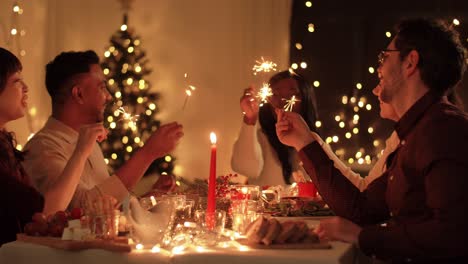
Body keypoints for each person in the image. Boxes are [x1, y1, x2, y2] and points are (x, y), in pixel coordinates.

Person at [276, 18, 468, 263]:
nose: (378, 70)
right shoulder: (413, 133)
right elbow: (362, 208)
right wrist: (304, 142)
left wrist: (363, 237)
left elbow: (452, 235)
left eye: (384, 58)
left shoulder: (443, 130)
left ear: (410, 62)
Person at [23, 50, 184, 211]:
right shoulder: (43, 148)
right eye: (102, 87)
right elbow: (81, 210)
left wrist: (150, 198)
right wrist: (148, 153)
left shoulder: (89, 141)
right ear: (78, 94)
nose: (109, 97)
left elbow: (107, 209)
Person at [0, 48, 107, 245]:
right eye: (16, 81)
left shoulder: (6, 147)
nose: (25, 88)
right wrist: (81, 151)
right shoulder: (43, 147)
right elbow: (43, 212)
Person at [231, 70, 319, 186]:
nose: (283, 101)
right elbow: (245, 168)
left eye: (292, 95)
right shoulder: (261, 138)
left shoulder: (315, 141)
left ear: (305, 99)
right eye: (276, 95)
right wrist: (250, 119)